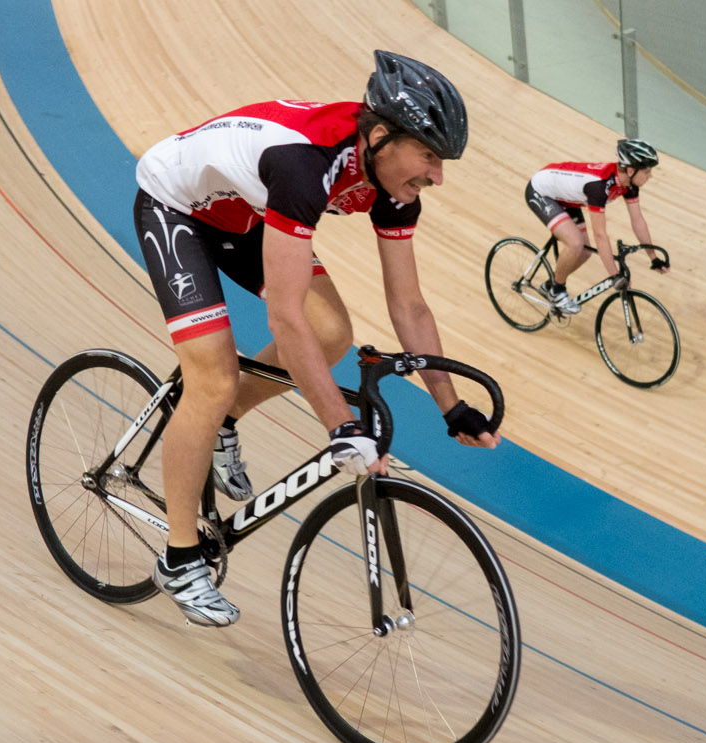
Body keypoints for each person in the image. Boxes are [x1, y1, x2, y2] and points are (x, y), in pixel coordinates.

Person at [130, 51, 500, 627]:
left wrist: (451, 406)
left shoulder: (392, 186)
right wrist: (339, 426)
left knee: (332, 333)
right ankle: (179, 558)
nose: (437, 174)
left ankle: (224, 420)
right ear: (380, 137)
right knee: (211, 379)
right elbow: (283, 316)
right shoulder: (306, 165)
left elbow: (409, 303)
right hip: (177, 207)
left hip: (251, 213)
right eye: (429, 155)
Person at [523, 139, 673, 314]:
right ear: (631, 170)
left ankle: (550, 284)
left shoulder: (629, 184)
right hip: (542, 191)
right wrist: (614, 276)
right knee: (576, 244)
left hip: (567, 198)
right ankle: (557, 290)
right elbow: (600, 235)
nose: (650, 176)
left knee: (585, 251)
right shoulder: (599, 186)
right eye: (647, 171)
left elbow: (637, 220)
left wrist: (653, 257)